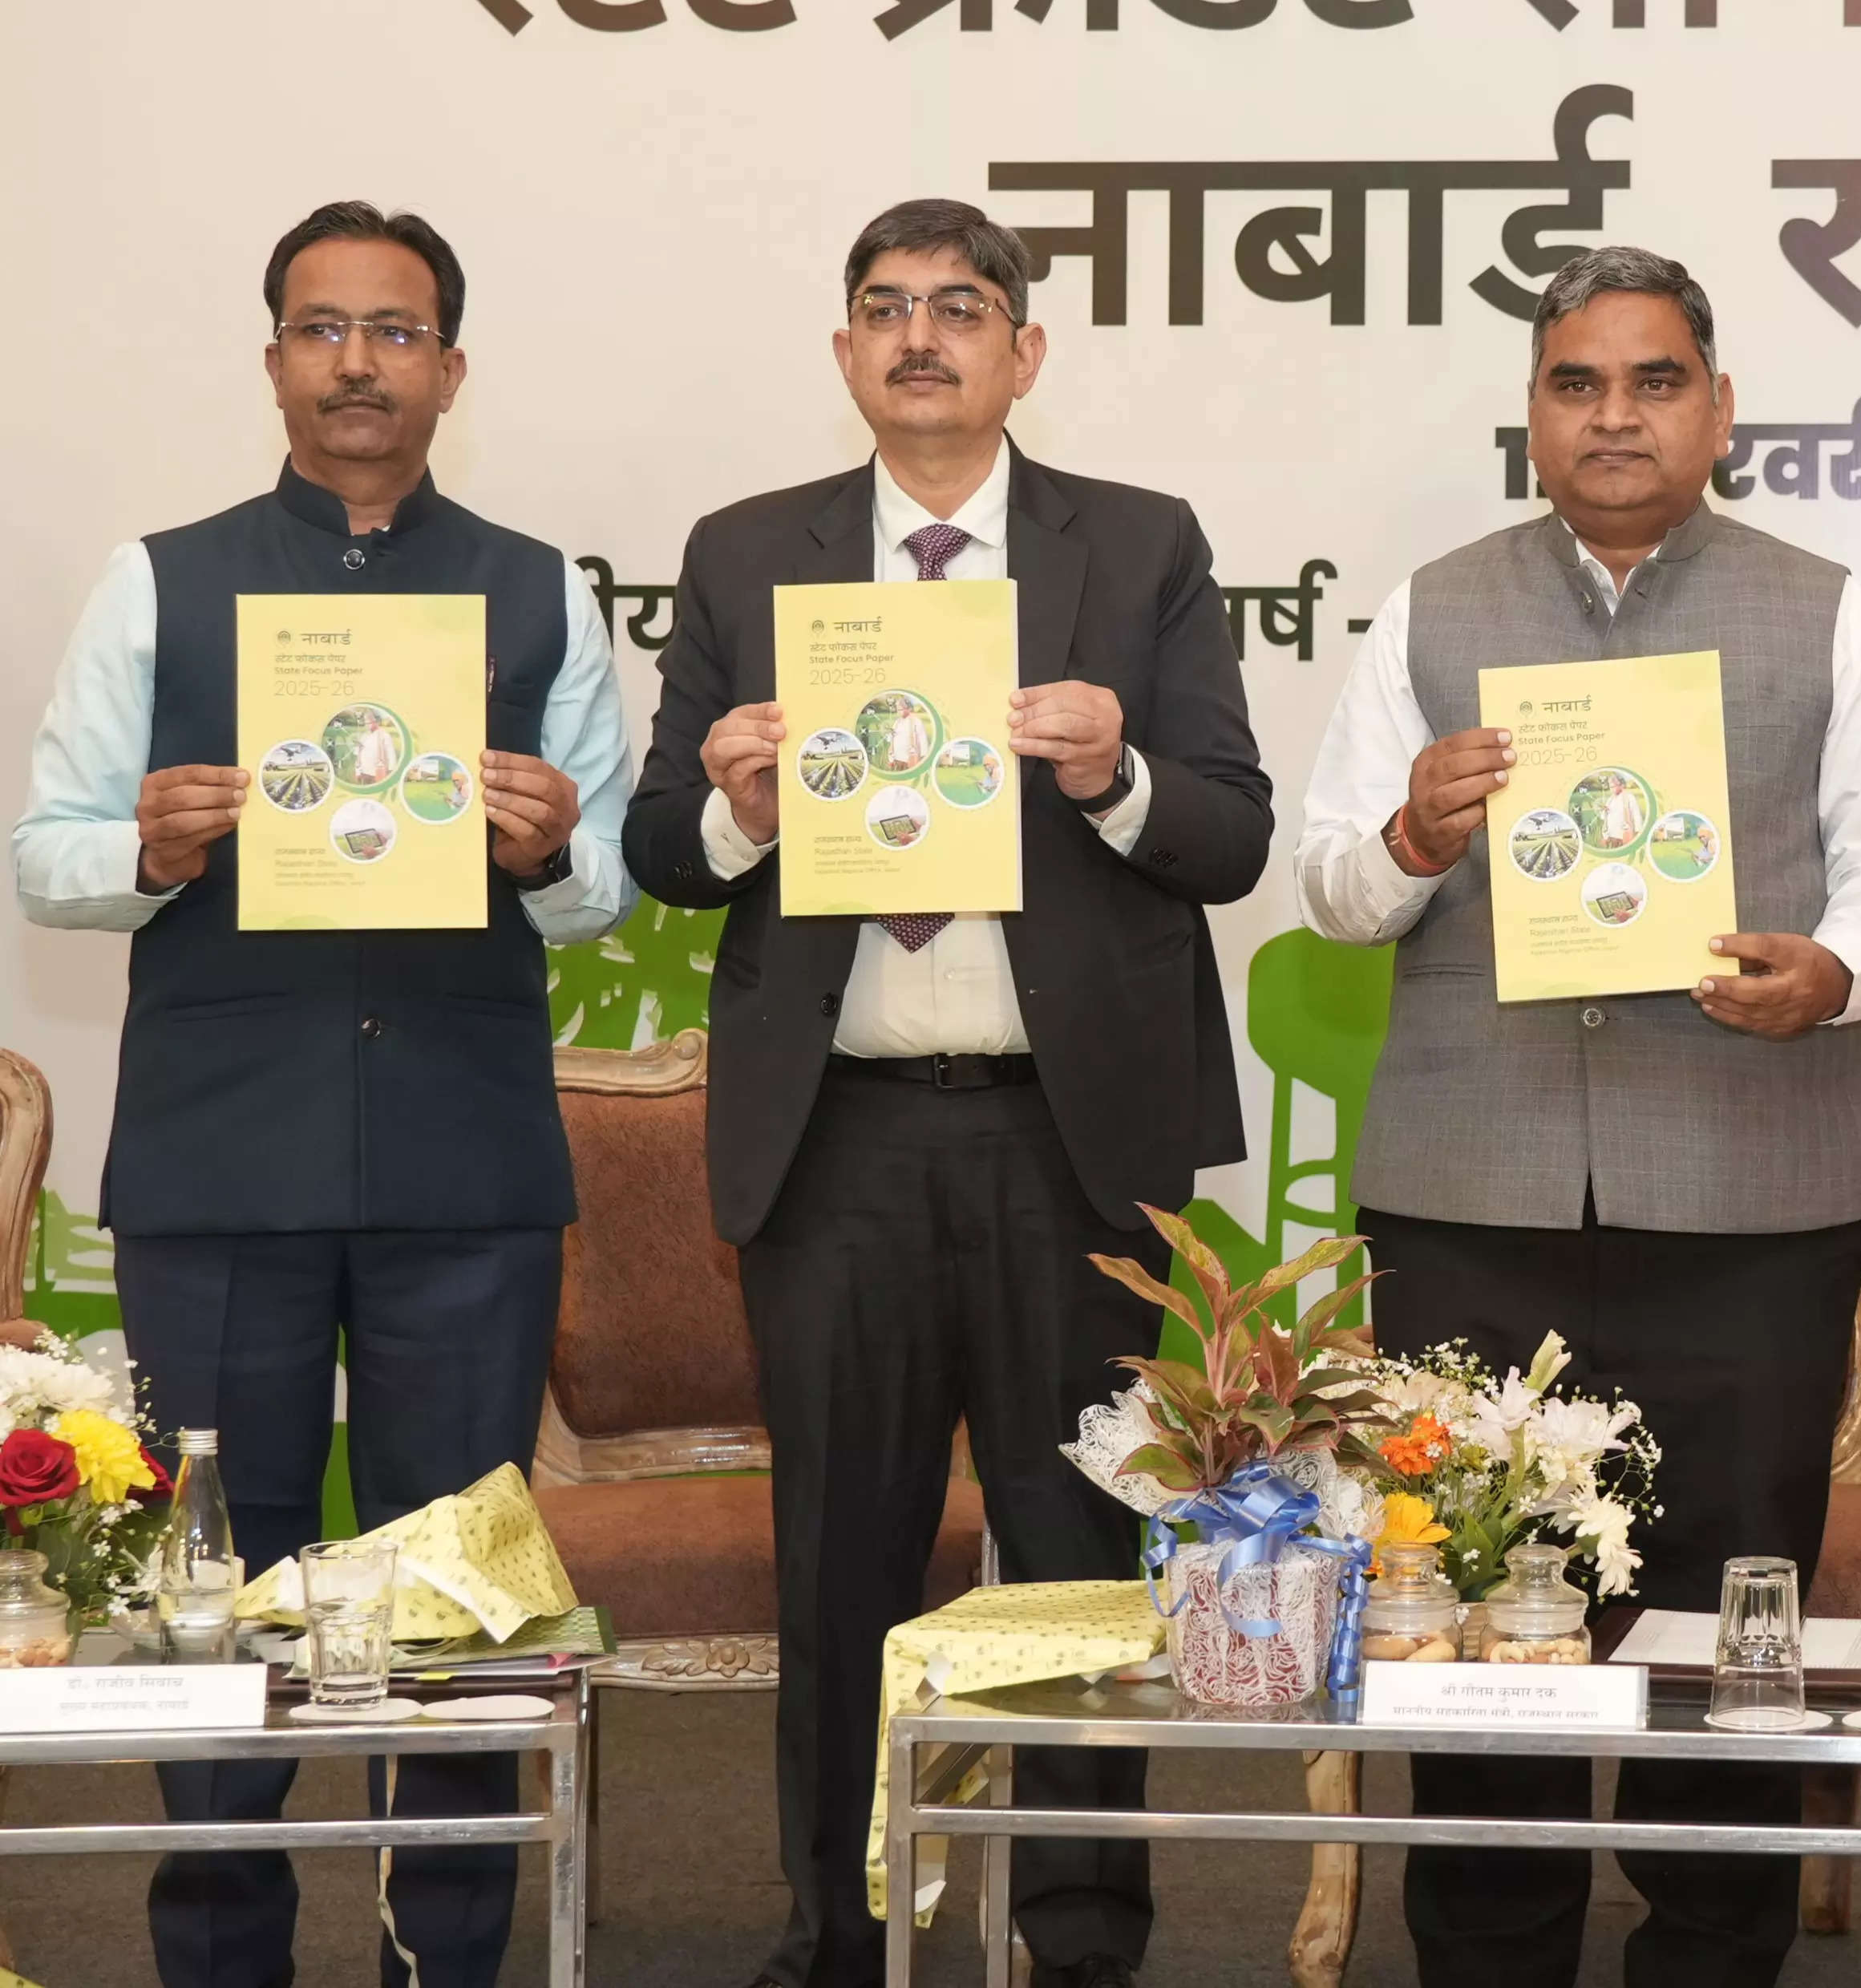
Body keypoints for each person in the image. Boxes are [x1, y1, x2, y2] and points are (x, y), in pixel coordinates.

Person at [621, 199, 1270, 1988]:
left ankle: (1079, 1935)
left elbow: (1228, 833)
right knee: (840, 1554)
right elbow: (661, 848)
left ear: (1023, 354)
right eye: (885, 310)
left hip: (1074, 1143)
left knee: (1076, 1550)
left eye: (961, 308)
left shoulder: (1134, 550)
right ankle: (836, 1926)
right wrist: (744, 802)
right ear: (845, 355)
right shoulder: (750, 555)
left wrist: (1112, 767)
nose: (922, 336)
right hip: (836, 1137)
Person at [1296, 245, 1861, 1988]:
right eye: (1578, 385)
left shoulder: (1826, 608)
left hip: (1748, 1199)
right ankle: (1488, 1957)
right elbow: (1330, 888)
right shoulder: (1433, 610)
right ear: (1533, 417)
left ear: (1716, 410)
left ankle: (1715, 1955)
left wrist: (1835, 967)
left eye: (1653, 381)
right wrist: (1417, 838)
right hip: (1470, 1203)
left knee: (1725, 1645)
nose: (1615, 415)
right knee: (1472, 1633)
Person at [11, 200, 636, 1988]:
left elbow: (602, 886)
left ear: (449, 364)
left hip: (464, 1161)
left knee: (459, 1601)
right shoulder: (158, 575)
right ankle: (223, 1961)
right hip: (222, 1164)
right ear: (274, 355)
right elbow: (45, 854)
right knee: (215, 1601)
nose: (357, 362)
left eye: (395, 330)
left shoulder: (537, 586)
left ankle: (443, 1957)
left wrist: (554, 845)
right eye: (321, 328)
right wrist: (144, 837)